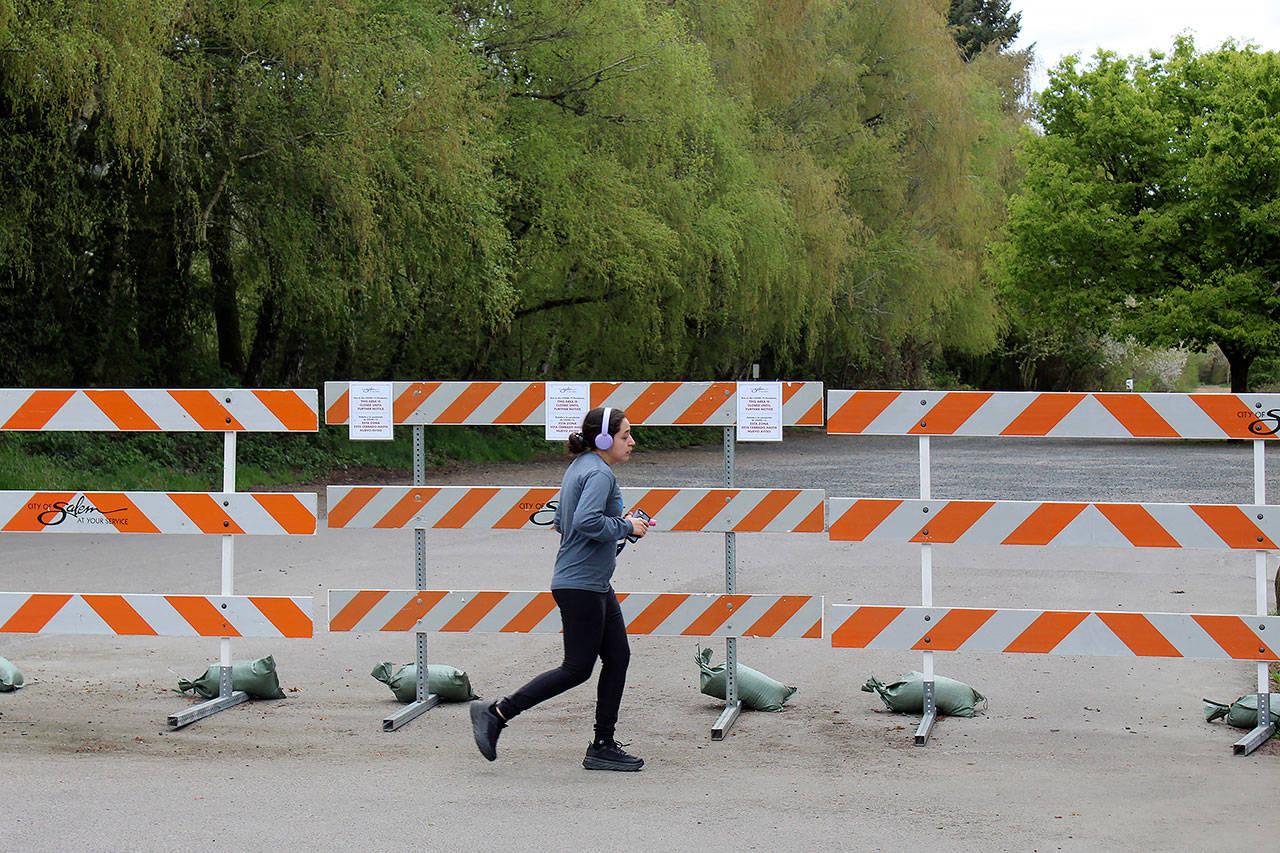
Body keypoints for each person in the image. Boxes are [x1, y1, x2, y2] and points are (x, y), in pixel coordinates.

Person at [470, 406, 653, 771]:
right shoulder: (600, 474)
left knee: (618, 658)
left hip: (591, 582)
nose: (632, 442)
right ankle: (497, 712)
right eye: (624, 436)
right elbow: (585, 521)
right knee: (576, 668)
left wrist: (618, 525)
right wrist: (626, 527)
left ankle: (602, 744)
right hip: (581, 584)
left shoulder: (581, 467)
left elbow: (561, 523)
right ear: (604, 439)